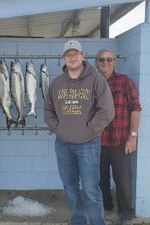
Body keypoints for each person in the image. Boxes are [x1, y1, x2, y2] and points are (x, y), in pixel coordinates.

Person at [45, 40, 115, 225]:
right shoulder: (56, 83)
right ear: (63, 58)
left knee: (91, 189)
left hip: (89, 144)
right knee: (70, 187)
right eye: (69, 54)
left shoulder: (96, 79)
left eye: (76, 54)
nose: (73, 58)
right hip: (63, 144)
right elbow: (48, 110)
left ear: (82, 56)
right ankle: (78, 221)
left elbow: (107, 110)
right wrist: (57, 129)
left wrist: (90, 130)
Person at [95, 49, 142, 225]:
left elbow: (136, 109)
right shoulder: (91, 83)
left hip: (120, 141)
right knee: (100, 179)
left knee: (123, 180)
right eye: (101, 60)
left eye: (109, 59)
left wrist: (133, 136)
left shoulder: (125, 82)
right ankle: (106, 208)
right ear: (96, 62)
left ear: (114, 62)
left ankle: (125, 215)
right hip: (96, 142)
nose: (105, 62)